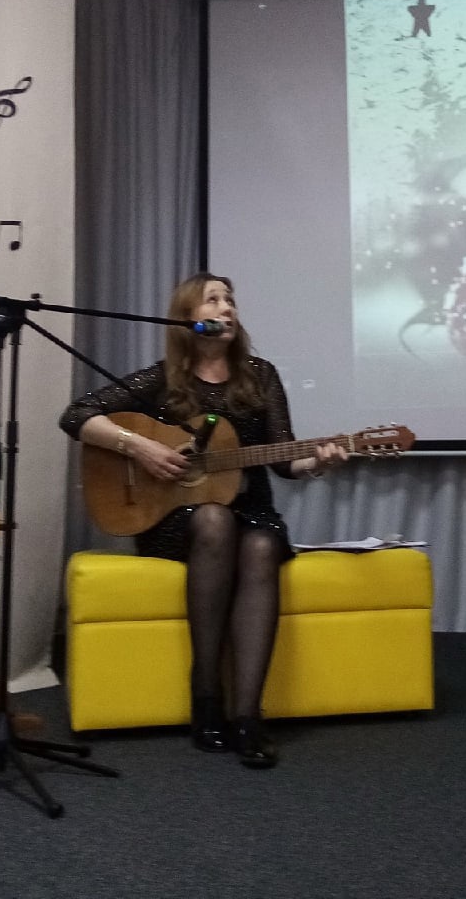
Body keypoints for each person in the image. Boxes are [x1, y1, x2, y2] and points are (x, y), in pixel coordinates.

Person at [59, 273, 347, 769]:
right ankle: (206, 691)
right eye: (213, 299)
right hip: (177, 520)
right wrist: (142, 447)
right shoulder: (162, 381)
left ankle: (247, 715)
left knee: (259, 545)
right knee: (213, 518)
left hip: (251, 511)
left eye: (230, 299)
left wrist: (319, 462)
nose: (226, 307)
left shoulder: (259, 376)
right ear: (188, 317)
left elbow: (284, 460)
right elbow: (76, 415)